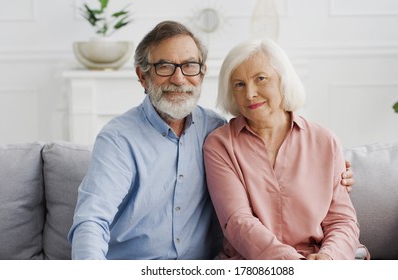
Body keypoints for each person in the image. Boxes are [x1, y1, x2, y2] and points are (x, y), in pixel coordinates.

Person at [67, 20, 355, 260]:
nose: (179, 78)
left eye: (190, 66)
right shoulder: (121, 139)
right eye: (164, 66)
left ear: (202, 74)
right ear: (143, 77)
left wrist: (335, 173)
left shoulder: (214, 129)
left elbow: (335, 215)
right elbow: (91, 221)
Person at [203, 39, 366, 260]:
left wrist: (329, 258)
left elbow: (342, 220)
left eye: (260, 79)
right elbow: (237, 221)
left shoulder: (324, 141)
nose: (250, 93)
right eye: (239, 84)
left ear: (283, 80)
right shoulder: (220, 145)